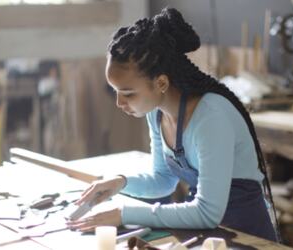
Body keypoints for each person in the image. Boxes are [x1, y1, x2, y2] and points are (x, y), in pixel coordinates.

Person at [67, 7, 279, 242]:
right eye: (115, 91)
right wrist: (120, 182)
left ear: (161, 83)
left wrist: (123, 213)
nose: (119, 102)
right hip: (210, 235)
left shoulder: (210, 117)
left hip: (247, 237)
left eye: (127, 93)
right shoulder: (157, 114)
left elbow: (206, 212)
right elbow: (163, 181)